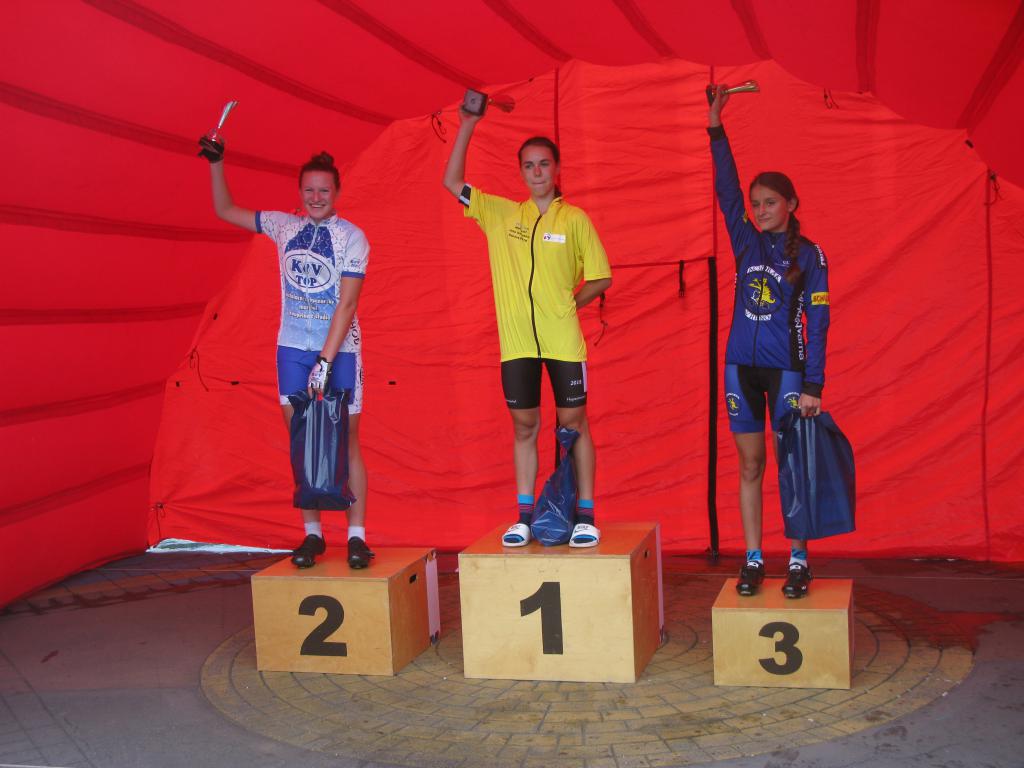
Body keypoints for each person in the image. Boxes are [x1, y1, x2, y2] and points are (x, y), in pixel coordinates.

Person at [198, 136, 373, 570]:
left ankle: (357, 536)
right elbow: (225, 210)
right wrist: (217, 164)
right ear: (299, 192)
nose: (316, 197)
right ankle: (313, 534)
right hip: (292, 348)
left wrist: (325, 361)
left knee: (347, 439)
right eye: (309, 190)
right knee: (301, 440)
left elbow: (347, 304)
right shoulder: (283, 226)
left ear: (337, 192)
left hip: (341, 350)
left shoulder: (352, 237)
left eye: (324, 190)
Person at [442, 107, 612, 548]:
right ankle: (523, 517)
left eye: (544, 164)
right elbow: (451, 182)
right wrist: (467, 125)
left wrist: (569, 304)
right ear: (520, 172)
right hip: (517, 343)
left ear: (557, 169)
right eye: (529, 165)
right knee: (524, 426)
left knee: (574, 424)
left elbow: (600, 276)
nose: (537, 172)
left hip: (563, 342)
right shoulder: (499, 214)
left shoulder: (574, 219)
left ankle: (586, 516)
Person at [707, 85, 830, 598]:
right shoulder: (746, 241)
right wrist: (716, 126)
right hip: (739, 368)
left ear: (791, 204)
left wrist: (814, 385)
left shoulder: (810, 256)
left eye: (770, 203)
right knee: (751, 465)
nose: (759, 210)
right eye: (756, 204)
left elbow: (819, 322)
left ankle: (798, 560)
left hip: (787, 375)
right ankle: (753, 558)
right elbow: (727, 190)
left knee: (791, 467)